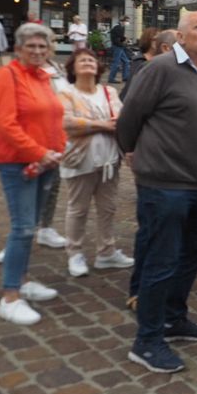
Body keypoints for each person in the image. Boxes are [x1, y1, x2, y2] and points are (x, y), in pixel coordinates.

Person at [117, 11, 197, 374]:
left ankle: (174, 319)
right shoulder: (161, 68)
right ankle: (146, 341)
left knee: (192, 255)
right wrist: (131, 151)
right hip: (164, 185)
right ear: (180, 35)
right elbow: (130, 117)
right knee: (161, 262)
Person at [0, 23, 66, 325]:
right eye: (30, 46)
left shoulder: (43, 77)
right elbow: (7, 125)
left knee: (30, 225)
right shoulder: (5, 77)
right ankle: (10, 296)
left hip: (45, 161)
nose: (37, 51)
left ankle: (22, 278)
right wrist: (39, 153)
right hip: (18, 162)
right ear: (18, 48)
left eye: (42, 46)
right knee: (21, 228)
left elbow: (54, 117)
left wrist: (57, 149)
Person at [58, 49, 134, 278]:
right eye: (82, 60)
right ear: (72, 67)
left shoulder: (109, 91)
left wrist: (94, 124)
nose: (88, 63)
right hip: (80, 160)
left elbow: (121, 119)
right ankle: (74, 252)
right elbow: (67, 123)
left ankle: (106, 251)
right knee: (78, 209)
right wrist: (102, 125)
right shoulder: (65, 93)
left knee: (108, 209)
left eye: (91, 60)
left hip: (109, 161)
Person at [108, 16, 131, 83]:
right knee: (116, 62)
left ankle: (125, 77)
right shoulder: (118, 27)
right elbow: (118, 38)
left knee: (126, 61)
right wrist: (124, 38)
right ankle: (111, 78)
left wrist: (124, 39)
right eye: (127, 21)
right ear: (123, 21)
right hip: (117, 46)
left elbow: (120, 37)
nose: (128, 22)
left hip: (119, 46)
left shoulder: (120, 27)